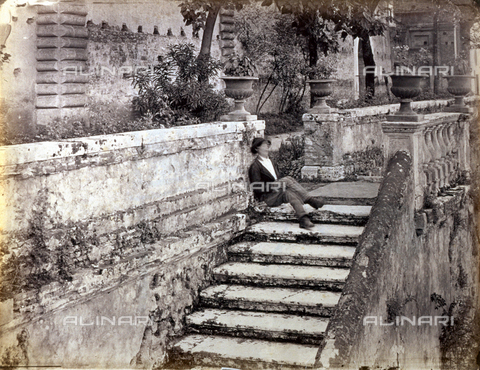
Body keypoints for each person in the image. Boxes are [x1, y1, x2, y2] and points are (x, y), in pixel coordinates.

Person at [248, 137, 325, 230]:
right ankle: (310, 200)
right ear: (257, 148)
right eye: (264, 145)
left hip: (276, 193)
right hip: (266, 197)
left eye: (268, 145)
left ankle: (303, 219)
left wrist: (278, 185)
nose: (267, 147)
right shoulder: (255, 166)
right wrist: (274, 186)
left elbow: (278, 178)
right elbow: (256, 187)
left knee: (289, 193)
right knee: (288, 179)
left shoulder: (271, 161)